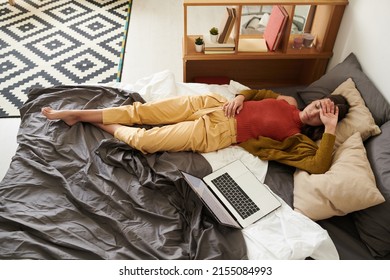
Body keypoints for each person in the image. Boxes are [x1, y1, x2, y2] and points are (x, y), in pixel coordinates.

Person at [41, 89, 349, 174]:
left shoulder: (297, 140)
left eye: (324, 114)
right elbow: (256, 93)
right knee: (141, 112)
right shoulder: (289, 100)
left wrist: (332, 130)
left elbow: (319, 165)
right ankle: (78, 114)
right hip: (212, 103)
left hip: (215, 133)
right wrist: (241, 96)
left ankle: (88, 119)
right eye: (321, 103)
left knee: (145, 140)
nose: (317, 110)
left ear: (324, 123)